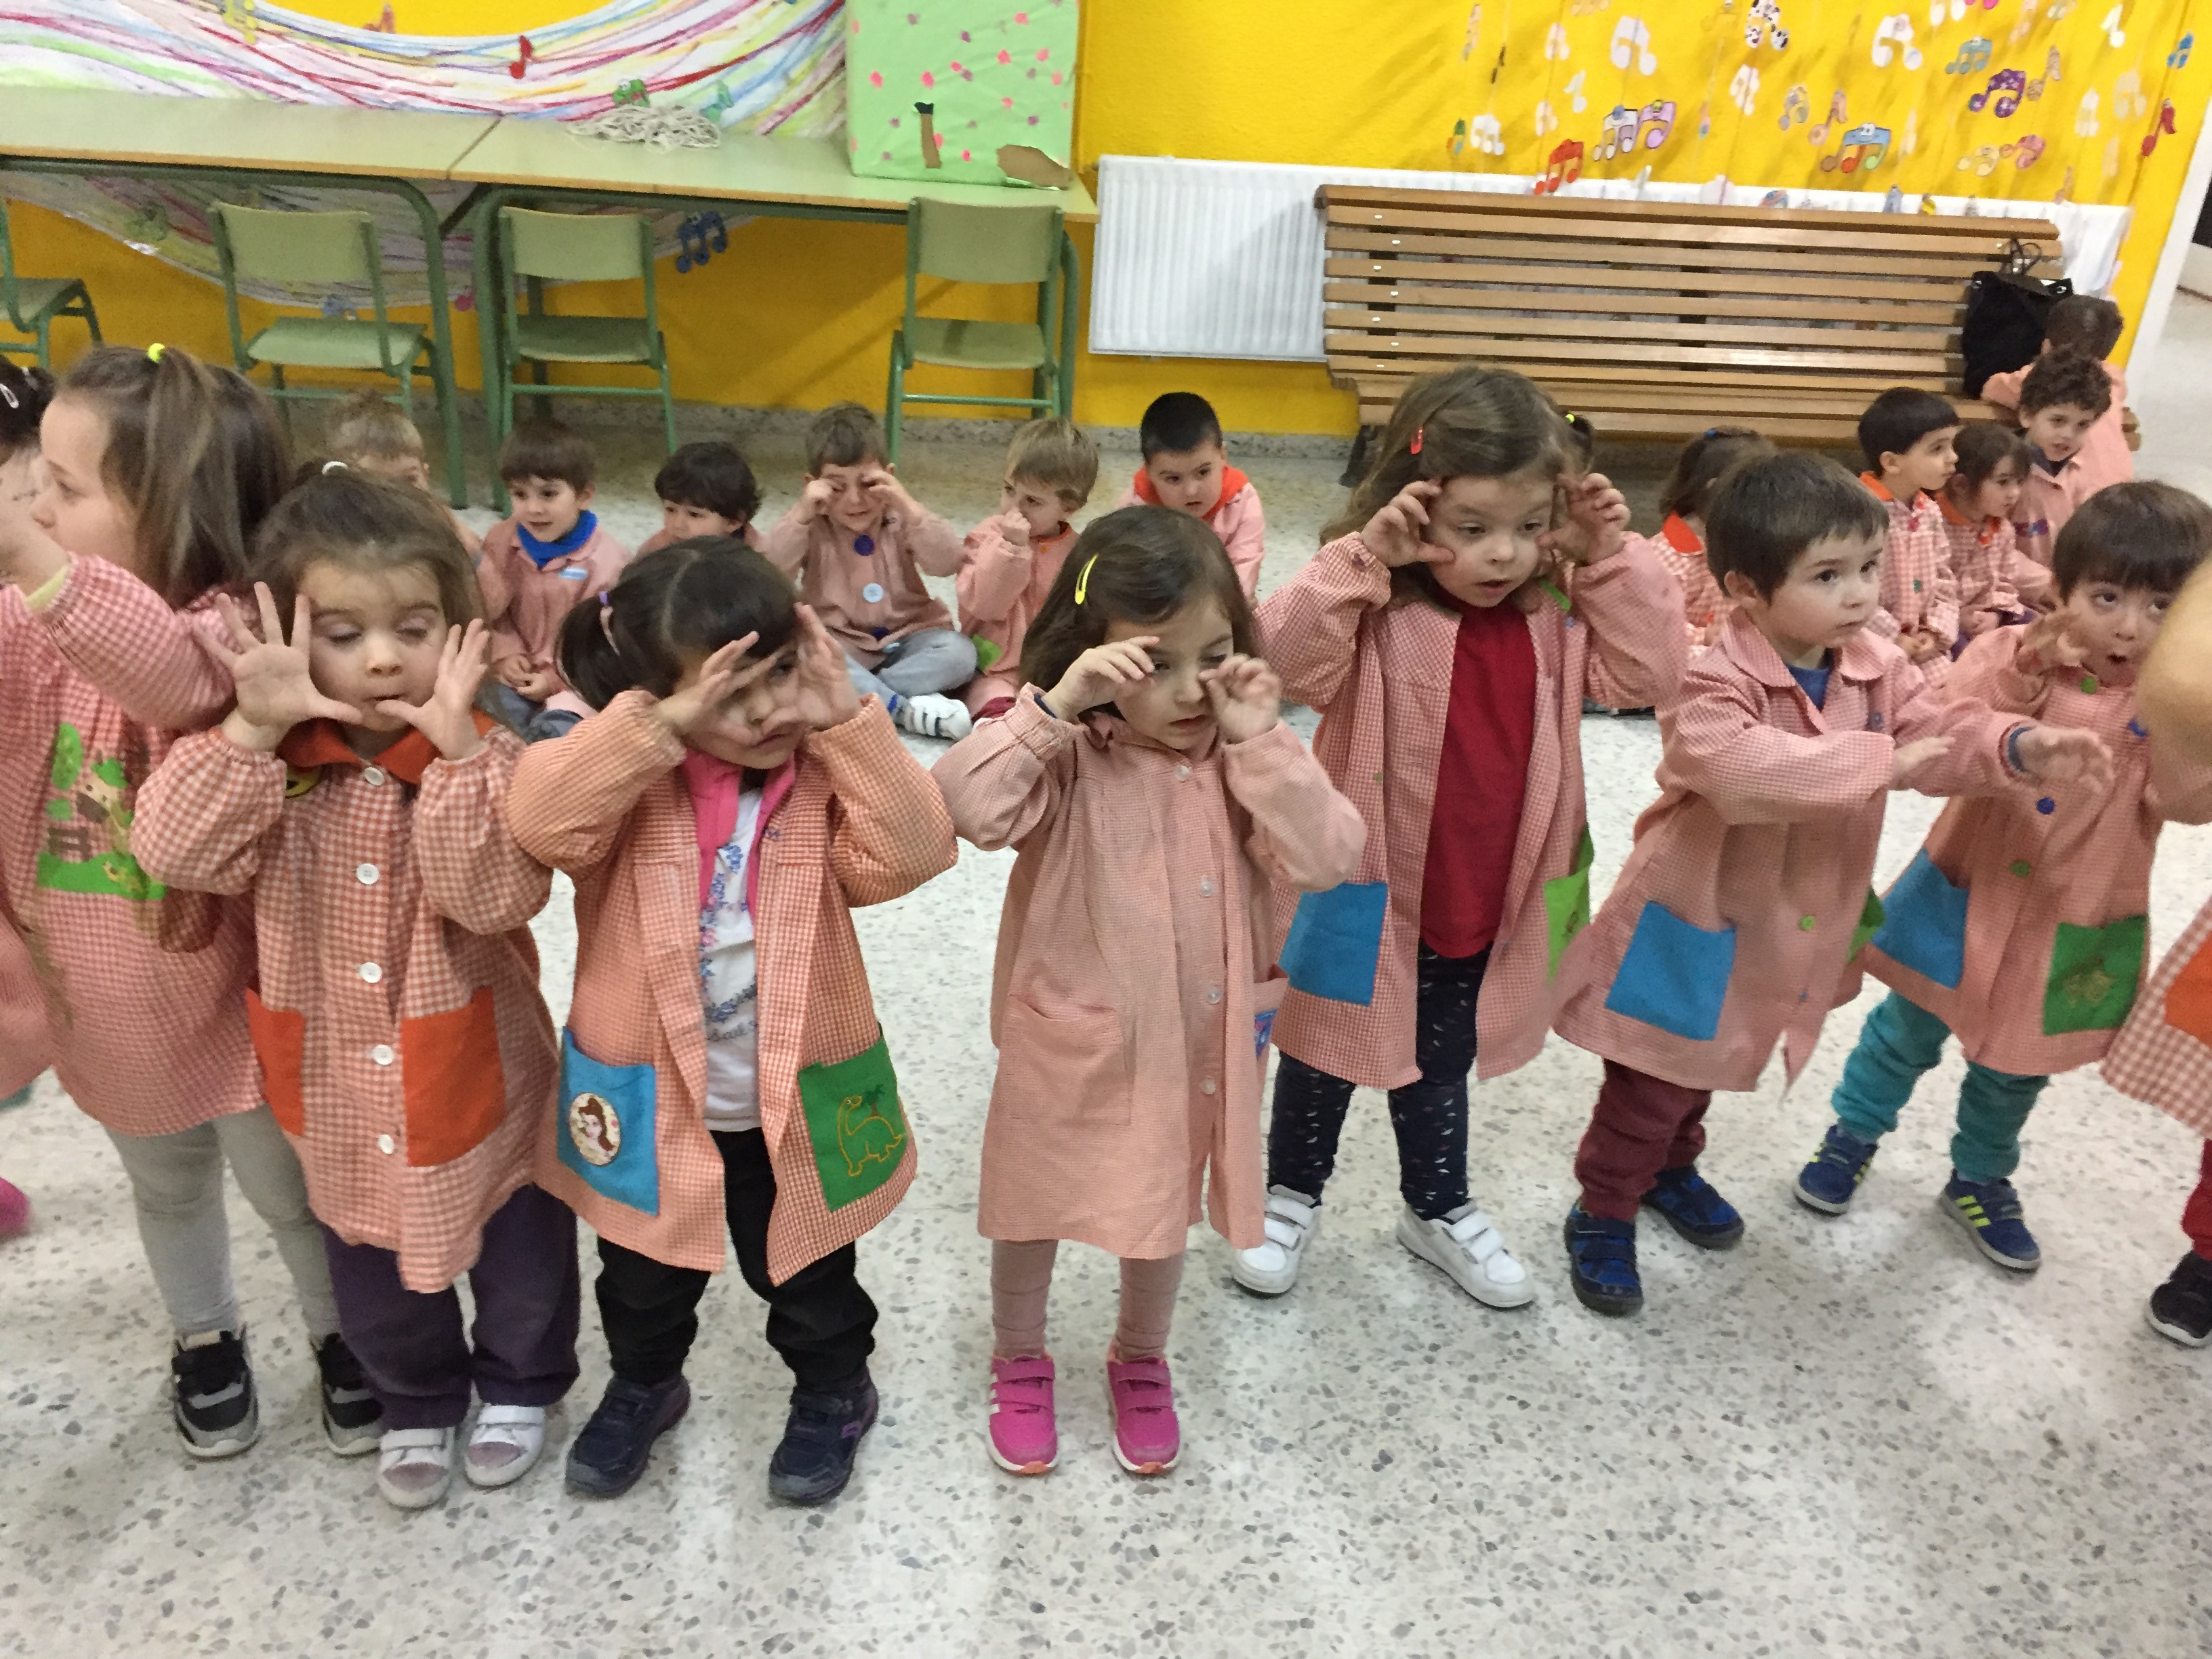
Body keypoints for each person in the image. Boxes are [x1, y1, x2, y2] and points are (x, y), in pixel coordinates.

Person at [1549, 452, 2114, 1317]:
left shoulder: (1875, 663)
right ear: (1746, 589)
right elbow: (1738, 769)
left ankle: (1671, 1170)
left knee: (1717, 1056)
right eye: (1828, 576)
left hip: (1780, 924)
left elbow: (1939, 730)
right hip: (1693, 913)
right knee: (1654, 1078)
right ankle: (1604, 1208)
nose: (1859, 595)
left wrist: (2017, 745)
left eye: (1867, 568)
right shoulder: (1708, 674)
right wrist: (1879, 762)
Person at [135, 470, 577, 1509]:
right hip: (337, 1078)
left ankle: (521, 1383)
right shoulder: (268, 761)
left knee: (519, 1243)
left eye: (412, 628)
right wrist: (252, 727)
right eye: (343, 633)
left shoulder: (493, 757)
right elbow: (171, 851)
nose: (382, 658)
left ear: (458, 634)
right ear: (288, 636)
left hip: (485, 1066)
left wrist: (459, 753)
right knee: (367, 1254)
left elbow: (495, 897)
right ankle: (413, 1397)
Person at [508, 538, 954, 1506]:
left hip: (789, 1100)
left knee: (809, 1273)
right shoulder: (626, 779)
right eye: (725, 693)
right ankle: (644, 1384)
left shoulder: (819, 774)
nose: (763, 715)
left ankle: (835, 1389)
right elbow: (541, 822)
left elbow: (916, 852)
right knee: (639, 1277)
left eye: (778, 674)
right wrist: (654, 729)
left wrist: (851, 722)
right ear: (658, 697)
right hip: (650, 1095)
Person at [1233, 366, 1685, 1309]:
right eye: (1471, 528)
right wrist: (1363, 557)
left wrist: (1611, 556)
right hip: (1359, 885)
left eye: (1529, 526)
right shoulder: (1377, 603)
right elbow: (1280, 665)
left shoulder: (1558, 610)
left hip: (1488, 891)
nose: (1503, 554)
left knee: (1440, 1060)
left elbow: (1649, 674)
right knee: (1321, 1047)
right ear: (1413, 505)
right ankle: (1289, 1196)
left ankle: (1435, 1205)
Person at [933, 506, 1362, 1479]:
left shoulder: (1245, 759)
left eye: (1211, 657)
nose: (1187, 690)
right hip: (1068, 1037)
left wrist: (1264, 744)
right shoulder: (1068, 752)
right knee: (1033, 1202)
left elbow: (1330, 857)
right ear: (1094, 655)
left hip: (1195, 1042)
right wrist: (1052, 708)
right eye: (1153, 663)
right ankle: (1019, 1355)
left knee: (1162, 1205)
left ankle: (1140, 1356)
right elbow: (964, 809)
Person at [0, 344, 362, 1456]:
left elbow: (171, 676)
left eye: (65, 489)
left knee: (293, 1196)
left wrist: (27, 554)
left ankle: (342, 1335)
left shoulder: (233, 628)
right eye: (31, 481)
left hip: (241, 1004)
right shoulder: (25, 620)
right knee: (166, 1189)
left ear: (174, 508)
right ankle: (205, 1336)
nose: (35, 506)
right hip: (103, 1004)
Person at [1795, 482, 2211, 1270]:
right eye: (2108, 597)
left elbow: (2186, 804)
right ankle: (1853, 1131)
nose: (2129, 626)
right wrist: (2023, 670)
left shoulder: (2177, 705)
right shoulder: (2014, 653)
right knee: (1904, 1029)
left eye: (2162, 608)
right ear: (2063, 590)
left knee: (2016, 1067)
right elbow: (1946, 731)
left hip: (2075, 918)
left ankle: (1980, 1176)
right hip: (1966, 890)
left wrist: (2190, 725)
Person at [762, 401, 976, 740]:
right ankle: (903, 710)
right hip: (841, 643)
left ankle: (865, 695)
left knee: (961, 654)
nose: (855, 500)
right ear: (811, 485)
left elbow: (947, 562)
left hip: (911, 636)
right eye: (837, 487)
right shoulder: (811, 524)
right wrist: (800, 515)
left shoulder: (901, 517)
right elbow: (769, 575)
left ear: (889, 477)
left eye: (867, 484)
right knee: (807, 650)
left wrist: (910, 507)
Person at [477, 419, 631, 741]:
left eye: (548, 494)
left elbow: (602, 644)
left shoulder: (609, 562)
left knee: (562, 731)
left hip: (575, 683)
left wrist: (554, 681)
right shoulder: (499, 542)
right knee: (482, 709)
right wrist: (505, 654)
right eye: (520, 494)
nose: (533, 508)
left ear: (584, 496)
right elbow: (492, 610)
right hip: (514, 677)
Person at [958, 416, 1098, 720]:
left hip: (1051, 669)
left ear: (1069, 508)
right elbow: (985, 605)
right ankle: (998, 725)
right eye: (1009, 490)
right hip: (994, 665)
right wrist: (1010, 549)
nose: (1014, 509)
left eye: (1032, 501)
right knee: (993, 701)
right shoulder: (987, 537)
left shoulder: (1079, 553)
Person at [1632, 427, 1774, 652]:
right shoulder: (1663, 558)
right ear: (1717, 490)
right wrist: (1705, 639)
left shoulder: (1741, 545)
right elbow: (1648, 626)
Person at [1116, 392, 1267, 598]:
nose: (1191, 491)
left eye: (1203, 472)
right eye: (1173, 479)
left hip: (1221, 606)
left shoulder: (1242, 501)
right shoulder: (1135, 507)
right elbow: (1128, 577)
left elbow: (1243, 575)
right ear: (1149, 472)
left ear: (1223, 456)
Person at [1981, 294, 2133, 497]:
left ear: (2046, 345)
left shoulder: (2041, 377)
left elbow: (1991, 389)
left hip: (2078, 493)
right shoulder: (2112, 378)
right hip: (2122, 486)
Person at [1857, 387, 1962, 678]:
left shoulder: (1929, 511)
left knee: (1952, 693)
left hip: (1923, 647)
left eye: (1952, 446)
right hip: (1867, 645)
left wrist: (1935, 631)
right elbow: (1850, 590)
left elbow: (1944, 579)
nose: (1953, 457)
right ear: (1892, 462)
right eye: (1937, 449)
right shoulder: (1857, 513)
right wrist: (1891, 636)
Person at [322, 389, 481, 562]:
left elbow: (471, 550)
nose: (400, 493)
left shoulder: (432, 513)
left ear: (425, 474)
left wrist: (462, 543)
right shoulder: (340, 526)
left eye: (409, 479)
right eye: (380, 485)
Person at [1939, 421, 2050, 638]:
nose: (2014, 493)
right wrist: (1955, 617)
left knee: (2036, 628)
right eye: (2003, 482)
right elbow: (1930, 587)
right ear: (1961, 485)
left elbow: (2005, 581)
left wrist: (1996, 614)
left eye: (2019, 482)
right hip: (1946, 619)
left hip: (1986, 614)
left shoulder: (2002, 529)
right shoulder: (1935, 524)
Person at [2008, 351, 2115, 570]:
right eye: (2058, 421)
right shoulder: (2006, 474)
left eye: (2082, 425)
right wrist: (2045, 583)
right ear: (2027, 416)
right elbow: (1990, 548)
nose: (2068, 434)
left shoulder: (2079, 474)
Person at [637, 439, 765, 555]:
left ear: (733, 521)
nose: (677, 525)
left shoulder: (759, 558)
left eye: (694, 515)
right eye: (670, 510)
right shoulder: (657, 550)